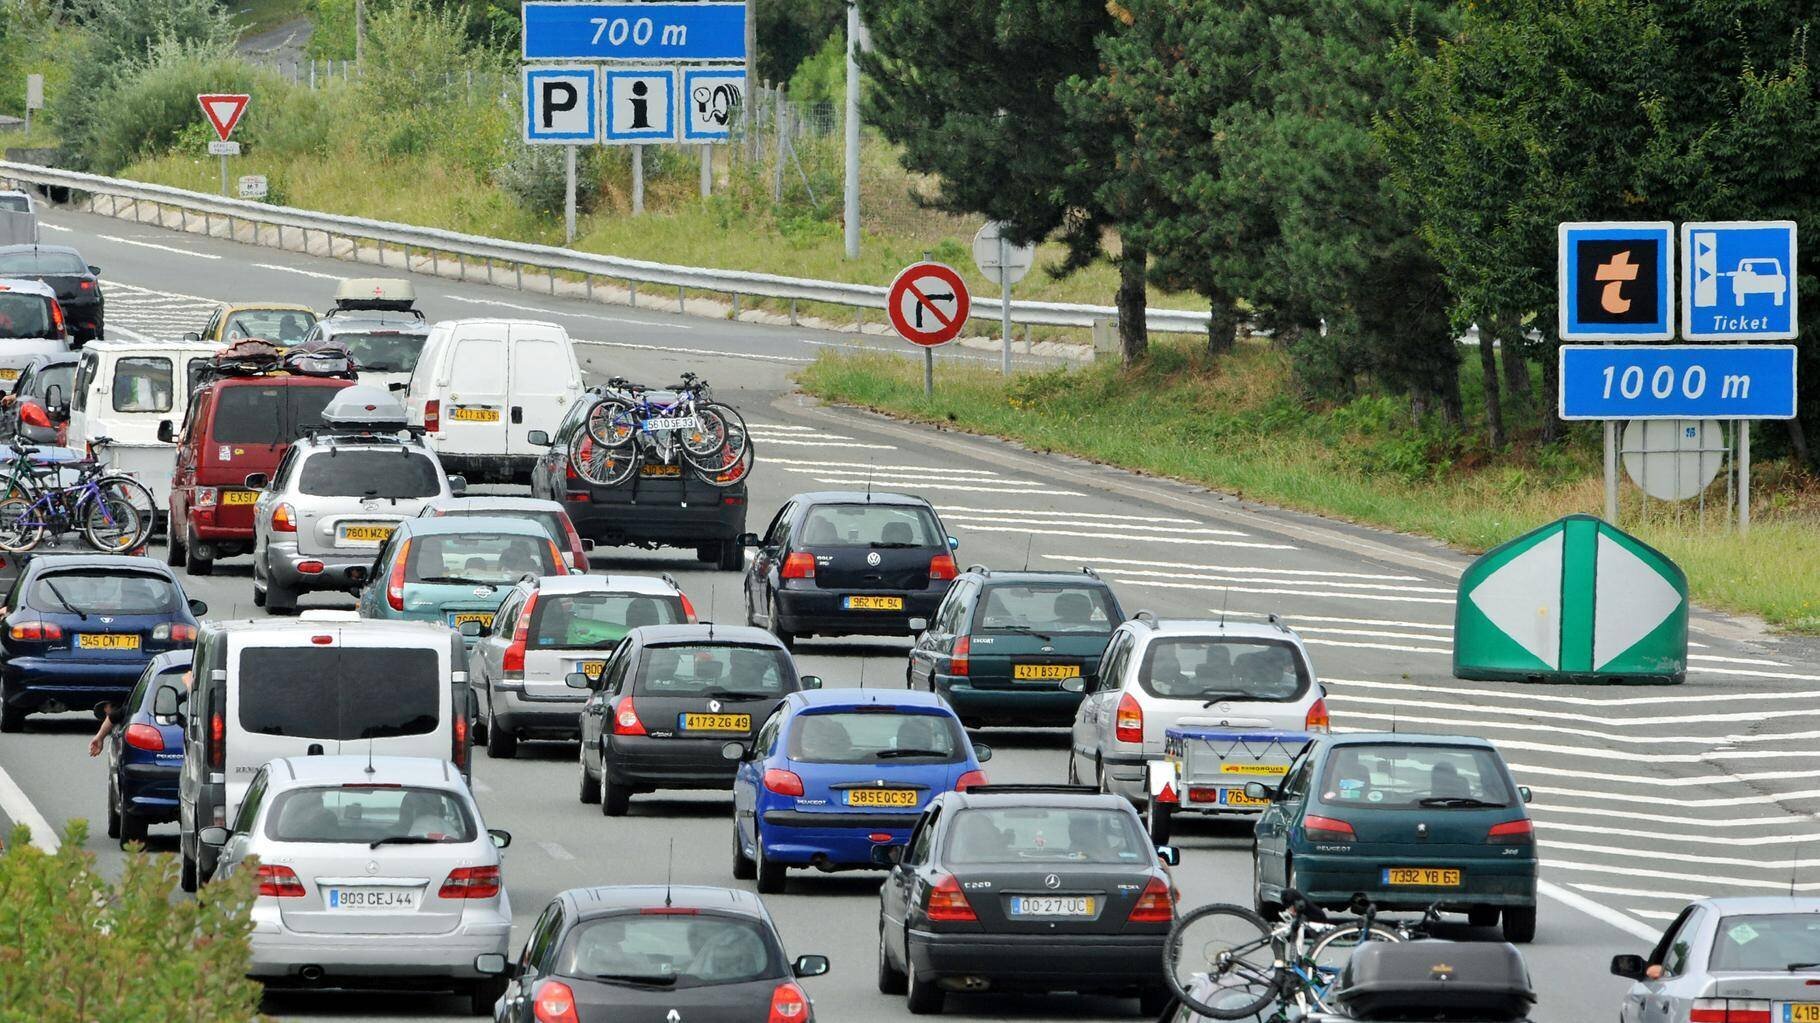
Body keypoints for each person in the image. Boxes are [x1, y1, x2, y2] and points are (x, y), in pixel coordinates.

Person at [89, 670, 191, 757]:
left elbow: (113, 717)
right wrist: (99, 737)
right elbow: (113, 717)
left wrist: (99, 737)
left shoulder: (145, 712)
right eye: (160, 696)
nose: (160, 699)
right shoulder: (140, 712)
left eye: (163, 696)